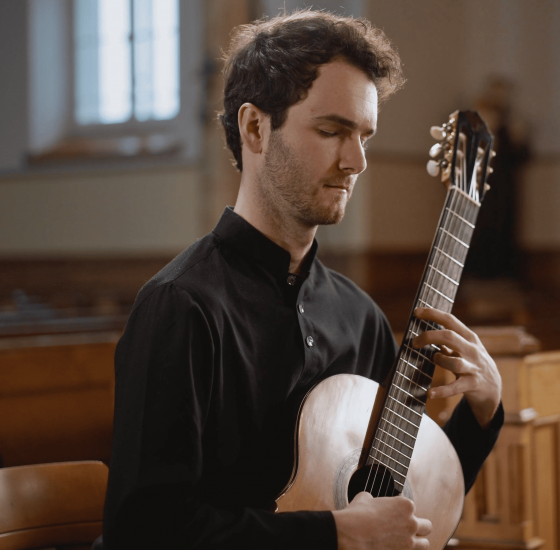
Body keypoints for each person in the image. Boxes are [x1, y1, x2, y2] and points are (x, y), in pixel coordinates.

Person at [100, 10, 504, 550]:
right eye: (332, 130)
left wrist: (485, 411)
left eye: (365, 136)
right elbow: (144, 530)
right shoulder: (182, 307)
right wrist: (332, 534)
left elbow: (399, 505)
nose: (356, 160)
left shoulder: (359, 318)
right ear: (254, 128)